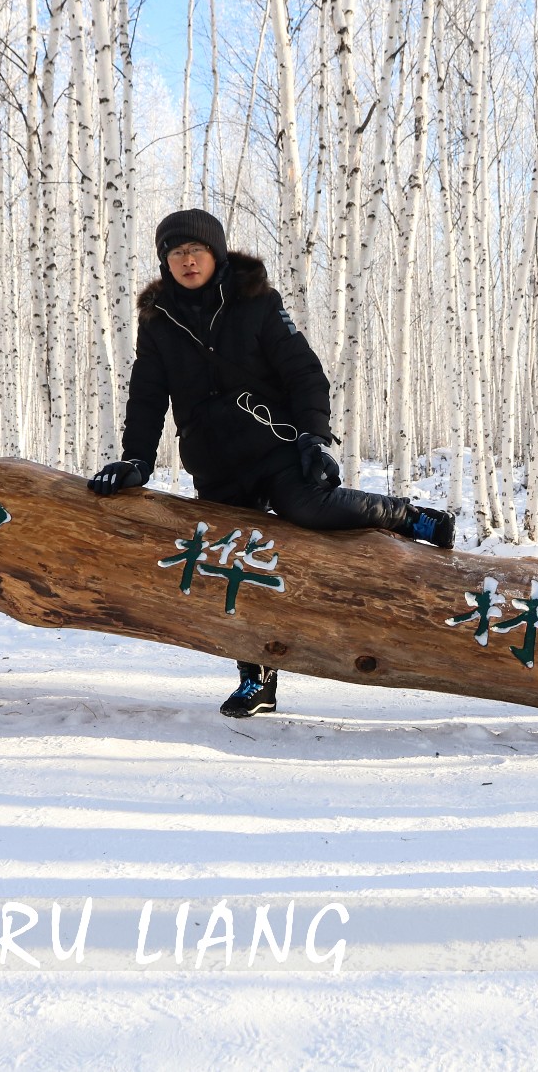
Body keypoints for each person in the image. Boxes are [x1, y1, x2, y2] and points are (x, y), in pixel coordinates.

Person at [89, 208, 454, 718]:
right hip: (215, 462)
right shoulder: (158, 322)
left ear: (215, 255)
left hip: (273, 447)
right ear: (165, 262)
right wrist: (135, 460)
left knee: (310, 507)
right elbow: (146, 397)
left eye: (196, 250)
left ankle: (409, 516)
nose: (187, 260)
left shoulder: (256, 303)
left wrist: (314, 436)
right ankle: (256, 680)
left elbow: (304, 372)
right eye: (176, 252)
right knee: (234, 566)